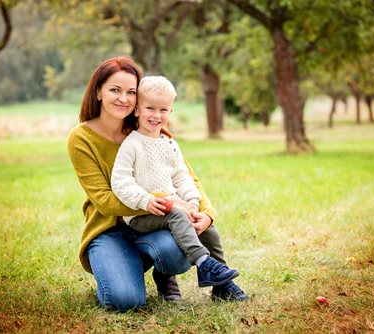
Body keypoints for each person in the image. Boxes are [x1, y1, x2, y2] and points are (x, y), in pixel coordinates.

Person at [67, 56, 248, 312]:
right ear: (98, 91)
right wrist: (166, 201)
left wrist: (205, 213)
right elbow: (104, 200)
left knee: (175, 253)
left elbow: (185, 175)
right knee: (125, 301)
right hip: (111, 228)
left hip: (157, 221)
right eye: (114, 90)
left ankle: (193, 278)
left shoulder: (150, 128)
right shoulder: (81, 138)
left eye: (131, 92)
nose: (124, 99)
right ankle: (119, 267)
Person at [111, 75, 240, 289]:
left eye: (163, 110)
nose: (156, 115)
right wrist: (145, 201)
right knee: (176, 214)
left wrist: (193, 203)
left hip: (172, 208)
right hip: (141, 215)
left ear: (171, 112)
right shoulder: (131, 144)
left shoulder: (169, 143)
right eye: (150, 108)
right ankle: (203, 263)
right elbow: (120, 182)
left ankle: (223, 285)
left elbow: (182, 176)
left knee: (208, 229)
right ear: (137, 110)